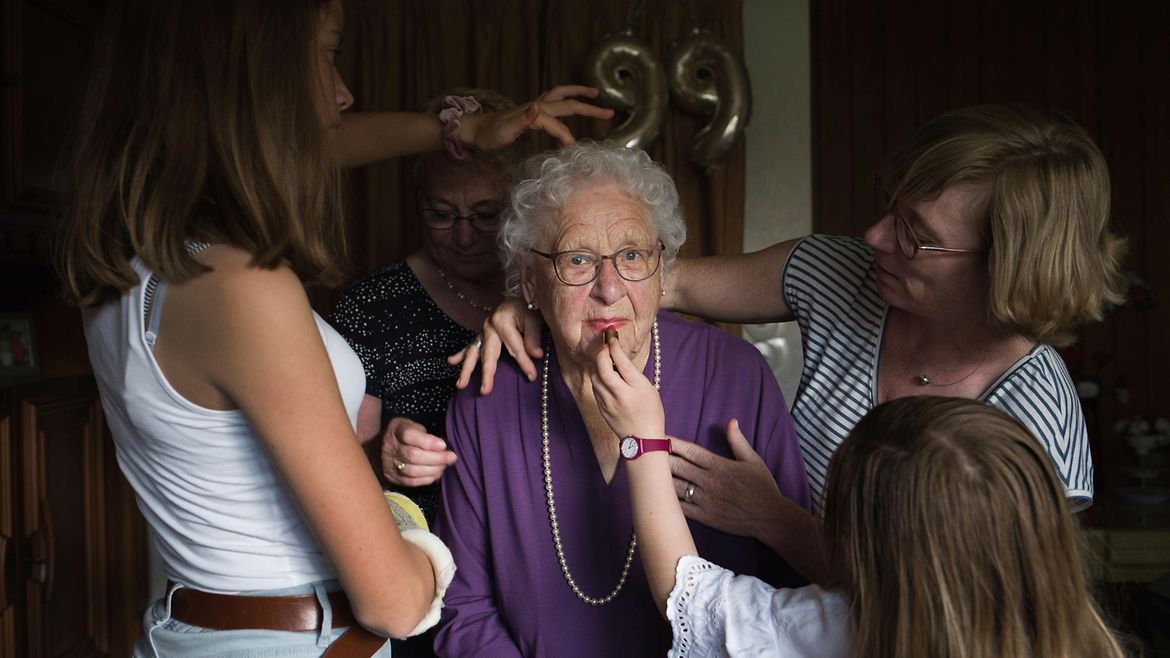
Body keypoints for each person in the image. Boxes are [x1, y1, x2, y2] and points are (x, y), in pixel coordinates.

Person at [56, 1, 611, 655]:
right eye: (325, 52)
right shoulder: (242, 291)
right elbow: (397, 602)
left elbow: (307, 142)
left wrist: (461, 131)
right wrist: (420, 532)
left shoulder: (130, 271)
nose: (343, 93)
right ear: (254, 82)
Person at [459, 103, 1125, 584]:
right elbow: (644, 280)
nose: (875, 237)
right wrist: (534, 298)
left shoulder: (1038, 418)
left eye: (916, 235)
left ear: (1004, 268)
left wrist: (776, 522)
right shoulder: (843, 275)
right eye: (893, 209)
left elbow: (966, 612)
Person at [433, 142, 811, 657]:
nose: (609, 288)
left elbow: (794, 593)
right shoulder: (489, 395)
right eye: (578, 259)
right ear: (529, 278)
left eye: (632, 255)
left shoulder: (736, 374)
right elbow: (464, 610)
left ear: (662, 268)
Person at [593, 365, 1126, 657]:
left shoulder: (835, 629)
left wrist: (643, 442)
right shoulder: (1085, 640)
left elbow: (686, 595)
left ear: (858, 547)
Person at [328, 87, 524, 658]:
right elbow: (336, 459)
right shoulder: (371, 305)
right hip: (421, 577)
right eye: (441, 215)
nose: (463, 236)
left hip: (541, 560)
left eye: (486, 216)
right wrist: (383, 453)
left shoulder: (556, 292)